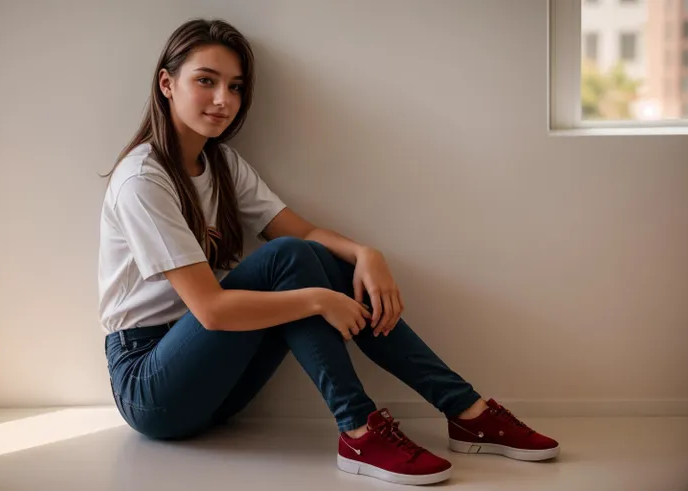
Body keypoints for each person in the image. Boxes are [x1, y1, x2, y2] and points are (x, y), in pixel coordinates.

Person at [98, 18, 560, 486]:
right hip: (152, 388)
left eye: (235, 87)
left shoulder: (222, 164)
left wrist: (366, 254)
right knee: (289, 259)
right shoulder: (143, 181)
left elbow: (300, 229)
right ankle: (360, 428)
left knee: (310, 255)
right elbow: (213, 311)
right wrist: (321, 299)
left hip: (217, 388)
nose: (224, 100)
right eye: (206, 81)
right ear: (166, 84)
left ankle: (465, 409)